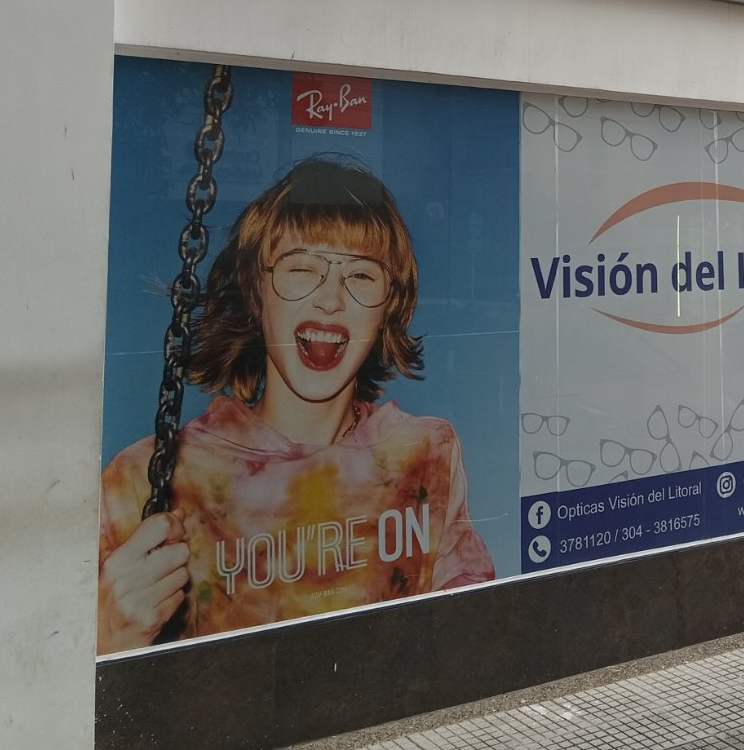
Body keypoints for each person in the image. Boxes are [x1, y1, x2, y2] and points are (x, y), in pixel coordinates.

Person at [97, 156, 494, 653]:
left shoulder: (426, 453)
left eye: (362, 275)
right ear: (256, 291)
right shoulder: (144, 479)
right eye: (302, 268)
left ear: (389, 306)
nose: (331, 299)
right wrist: (109, 631)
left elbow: (470, 635)